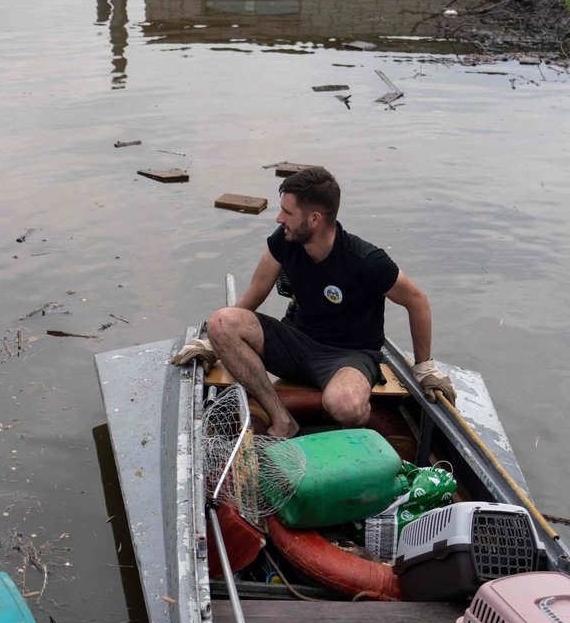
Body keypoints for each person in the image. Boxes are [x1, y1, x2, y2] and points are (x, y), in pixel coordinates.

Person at [172, 166, 455, 437]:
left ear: (315, 219)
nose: (278, 219)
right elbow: (254, 295)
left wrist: (423, 367)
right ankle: (283, 420)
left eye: (287, 212)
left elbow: (418, 301)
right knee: (222, 322)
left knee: (345, 405)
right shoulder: (284, 241)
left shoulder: (366, 260)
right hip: (295, 342)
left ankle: (363, 432)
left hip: (349, 356)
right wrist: (214, 343)